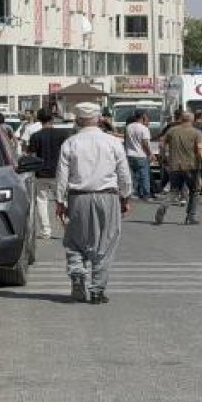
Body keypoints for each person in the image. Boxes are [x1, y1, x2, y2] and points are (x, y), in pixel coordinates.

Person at [55, 102, 132, 304]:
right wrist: (126, 196)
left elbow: (62, 175)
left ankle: (78, 274)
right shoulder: (113, 142)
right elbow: (123, 172)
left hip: (78, 197)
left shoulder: (71, 143)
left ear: (78, 120)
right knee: (106, 242)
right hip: (108, 196)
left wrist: (60, 200)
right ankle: (97, 290)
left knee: (74, 241)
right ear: (99, 119)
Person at [155, 111, 202, 226]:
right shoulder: (197, 132)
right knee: (194, 191)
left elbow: (161, 143)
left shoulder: (172, 130)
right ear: (192, 120)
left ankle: (164, 206)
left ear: (181, 119)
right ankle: (190, 217)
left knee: (174, 190)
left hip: (174, 166)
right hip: (191, 167)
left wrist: (163, 157)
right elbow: (200, 148)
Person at [27, 108, 75, 239]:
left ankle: (46, 231)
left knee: (42, 201)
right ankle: (68, 228)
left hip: (41, 173)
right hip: (59, 173)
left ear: (39, 120)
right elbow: (69, 153)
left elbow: (31, 156)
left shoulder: (35, 136)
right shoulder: (63, 134)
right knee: (62, 200)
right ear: (52, 119)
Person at [124, 111, 154, 200]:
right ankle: (145, 194)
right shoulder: (144, 128)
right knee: (144, 175)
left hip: (129, 154)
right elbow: (145, 143)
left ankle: (133, 193)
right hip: (141, 154)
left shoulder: (128, 127)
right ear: (143, 117)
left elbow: (126, 140)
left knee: (132, 175)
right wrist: (150, 154)